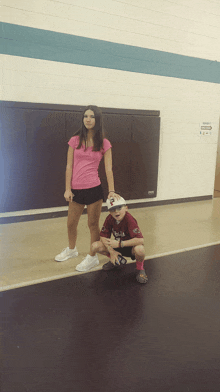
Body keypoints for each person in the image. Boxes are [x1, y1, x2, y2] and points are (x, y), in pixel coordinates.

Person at [55, 105, 120, 272]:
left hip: (94, 189)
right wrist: (67, 188)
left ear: (97, 120)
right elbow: (69, 166)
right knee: (71, 224)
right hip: (76, 190)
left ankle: (92, 256)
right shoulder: (74, 140)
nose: (88, 119)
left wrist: (111, 190)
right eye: (85, 116)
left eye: (92, 116)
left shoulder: (104, 143)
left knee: (92, 224)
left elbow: (108, 169)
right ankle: (71, 250)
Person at [91, 196, 148, 284]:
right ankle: (115, 259)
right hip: (117, 245)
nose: (116, 211)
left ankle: (140, 269)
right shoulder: (109, 219)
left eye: (119, 208)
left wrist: (120, 244)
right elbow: (103, 236)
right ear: (109, 212)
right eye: (113, 209)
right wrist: (111, 251)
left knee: (140, 250)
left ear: (126, 208)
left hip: (129, 247)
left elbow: (140, 240)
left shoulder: (129, 219)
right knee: (95, 246)